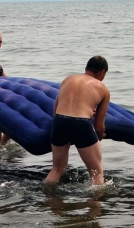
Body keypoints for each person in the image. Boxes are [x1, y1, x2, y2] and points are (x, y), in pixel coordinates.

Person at [44, 56, 111, 186]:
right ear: (102, 72)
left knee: (57, 169)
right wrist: (99, 136)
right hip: (81, 123)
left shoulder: (68, 79)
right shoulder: (103, 89)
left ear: (86, 68)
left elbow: (56, 110)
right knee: (96, 172)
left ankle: (49, 199)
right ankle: (95, 205)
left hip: (59, 121)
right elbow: (98, 126)